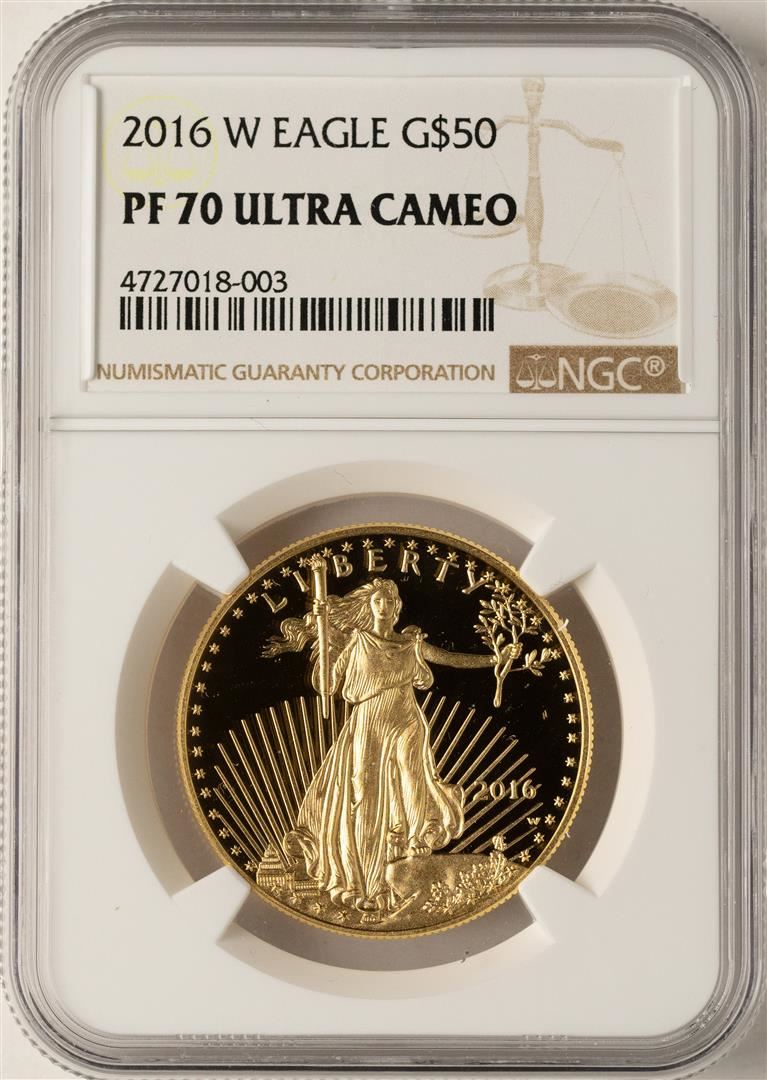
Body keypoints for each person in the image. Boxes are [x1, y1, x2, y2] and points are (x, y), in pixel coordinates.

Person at [264, 578, 514, 920]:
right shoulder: (357, 641)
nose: (383, 606)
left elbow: (450, 659)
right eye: (378, 601)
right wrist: (322, 637)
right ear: (370, 607)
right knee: (365, 795)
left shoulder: (411, 644)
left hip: (407, 720)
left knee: (412, 783)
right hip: (368, 723)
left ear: (397, 608)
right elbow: (327, 685)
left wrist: (495, 659)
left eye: (389, 602)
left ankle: (410, 850)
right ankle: (367, 881)